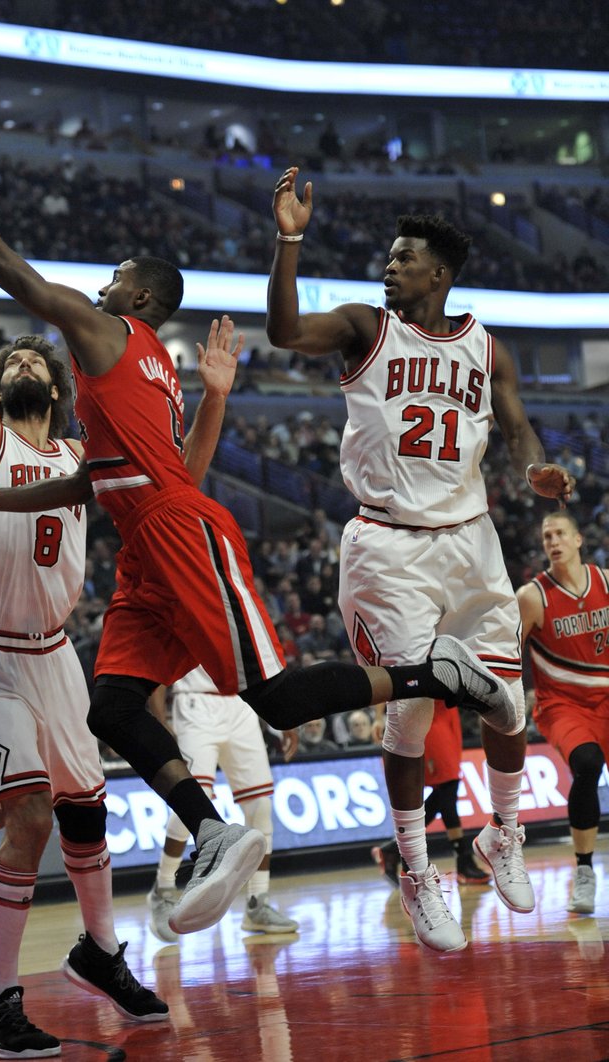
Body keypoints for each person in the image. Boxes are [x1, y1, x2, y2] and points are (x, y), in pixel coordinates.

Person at [0, 100, 518, 956]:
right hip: (146, 539)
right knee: (111, 707)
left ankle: (426, 670)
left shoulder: (107, 334)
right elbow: (88, 483)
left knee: (275, 697)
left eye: (111, 277)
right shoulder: (142, 374)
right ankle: (211, 832)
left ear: (136, 298)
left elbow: (2, 262)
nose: (97, 285)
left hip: (176, 531)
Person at [0, 177, 171, 1059]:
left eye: (31, 358)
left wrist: (220, 395)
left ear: (53, 381)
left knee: (86, 816)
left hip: (55, 658)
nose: (20, 362)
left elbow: (168, 475)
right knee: (31, 822)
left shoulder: (83, 453)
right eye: (6, 359)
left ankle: (103, 954)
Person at [267, 166, 576, 952]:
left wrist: (534, 469)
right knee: (409, 715)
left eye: (404, 258)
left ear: (438, 273)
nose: (390, 265)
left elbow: (516, 433)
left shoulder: (487, 348)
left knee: (510, 708)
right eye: (390, 257)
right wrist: (289, 239)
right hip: (388, 544)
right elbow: (282, 330)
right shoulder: (364, 328)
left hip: (471, 541)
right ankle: (416, 868)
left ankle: (502, 835)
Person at [146, 667, 299, 943]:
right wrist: (160, 721)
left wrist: (285, 715)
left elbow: (264, 663)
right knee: (191, 803)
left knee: (261, 807)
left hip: (242, 705)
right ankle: (164, 888)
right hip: (195, 705)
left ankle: (257, 903)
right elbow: (157, 672)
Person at [517, 512, 609, 915]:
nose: (552, 541)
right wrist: (513, 697)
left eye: (559, 534)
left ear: (577, 540)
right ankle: (585, 871)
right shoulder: (532, 596)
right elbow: (508, 651)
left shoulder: (605, 581)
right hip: (561, 704)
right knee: (587, 763)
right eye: (546, 535)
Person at [372, 701, 491, 887]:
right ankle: (463, 861)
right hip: (427, 718)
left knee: (448, 789)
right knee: (447, 787)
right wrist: (379, 718)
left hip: (448, 714)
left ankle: (394, 849)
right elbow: (383, 673)